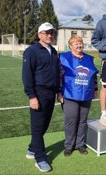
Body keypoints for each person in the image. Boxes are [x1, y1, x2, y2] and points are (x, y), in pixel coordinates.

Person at [22, 22, 62, 173]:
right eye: (46, 33)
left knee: (44, 124)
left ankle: (32, 149)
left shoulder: (53, 51)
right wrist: (32, 96)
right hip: (38, 93)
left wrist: (58, 91)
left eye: (51, 32)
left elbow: (57, 73)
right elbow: (27, 75)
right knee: (38, 127)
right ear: (39, 35)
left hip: (51, 94)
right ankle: (40, 158)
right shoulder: (31, 51)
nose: (49, 35)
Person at [59, 35, 99, 156]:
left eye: (80, 43)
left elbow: (93, 75)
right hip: (69, 94)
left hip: (86, 94)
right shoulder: (63, 58)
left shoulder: (88, 58)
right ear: (70, 46)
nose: (78, 45)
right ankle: (69, 145)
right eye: (75, 43)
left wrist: (95, 89)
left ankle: (80, 144)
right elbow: (58, 76)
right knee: (71, 121)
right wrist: (58, 92)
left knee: (82, 121)